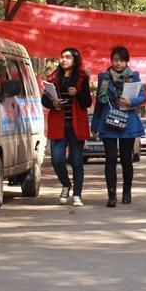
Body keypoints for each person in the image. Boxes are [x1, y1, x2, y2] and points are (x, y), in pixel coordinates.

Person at [91, 46, 146, 207]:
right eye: (116, 60)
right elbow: (99, 103)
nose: (118, 63)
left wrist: (131, 102)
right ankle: (111, 195)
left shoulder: (133, 76)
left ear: (126, 61)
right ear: (111, 60)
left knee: (126, 160)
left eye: (122, 60)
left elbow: (143, 96)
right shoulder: (104, 77)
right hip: (108, 121)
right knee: (109, 159)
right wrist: (95, 125)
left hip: (127, 122)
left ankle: (127, 192)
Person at [41, 48, 92, 206]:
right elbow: (45, 100)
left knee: (76, 161)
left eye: (68, 57)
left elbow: (87, 102)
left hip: (76, 123)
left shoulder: (82, 77)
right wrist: (53, 103)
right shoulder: (53, 77)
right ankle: (66, 184)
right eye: (62, 57)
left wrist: (77, 93)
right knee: (57, 159)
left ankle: (77, 194)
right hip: (59, 123)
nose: (64, 60)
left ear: (75, 60)